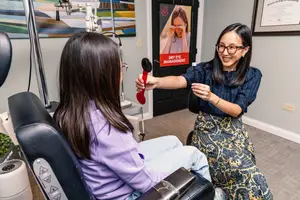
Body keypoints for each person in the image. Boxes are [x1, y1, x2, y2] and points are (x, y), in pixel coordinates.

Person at [53, 32, 225, 200]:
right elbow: (147, 183)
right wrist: (178, 174)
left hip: (108, 178)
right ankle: (210, 195)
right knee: (194, 154)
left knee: (173, 140)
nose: (122, 72)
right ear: (102, 76)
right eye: (120, 67)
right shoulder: (106, 128)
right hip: (129, 193)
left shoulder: (67, 112)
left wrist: (156, 81)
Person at [136, 23, 273, 200]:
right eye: (221, 46)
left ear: (245, 50)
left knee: (246, 166)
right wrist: (157, 81)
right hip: (207, 130)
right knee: (249, 175)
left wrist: (211, 96)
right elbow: (180, 80)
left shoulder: (253, 75)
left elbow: (236, 110)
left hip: (234, 130)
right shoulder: (205, 70)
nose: (224, 52)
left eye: (231, 47)